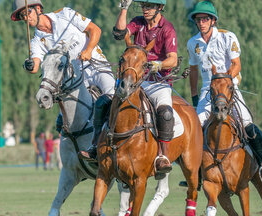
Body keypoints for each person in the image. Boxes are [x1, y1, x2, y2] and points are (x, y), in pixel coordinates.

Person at [10, 0, 116, 161]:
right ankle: (80, 155)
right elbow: (35, 67)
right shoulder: (37, 41)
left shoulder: (65, 14)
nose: (26, 18)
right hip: (76, 81)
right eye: (23, 16)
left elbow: (95, 30)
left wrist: (88, 50)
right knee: (66, 118)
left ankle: (119, 143)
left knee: (113, 96)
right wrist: (28, 64)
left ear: (38, 9)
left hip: (96, 67)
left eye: (28, 13)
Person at [186, 0, 262, 183]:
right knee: (195, 126)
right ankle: (196, 171)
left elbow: (236, 64)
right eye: (198, 19)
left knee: (246, 122)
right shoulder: (192, 43)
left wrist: (224, 81)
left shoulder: (227, 37)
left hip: (229, 88)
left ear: (213, 20)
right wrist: (194, 97)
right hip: (207, 91)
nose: (201, 22)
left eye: (205, 19)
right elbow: (193, 71)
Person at [109, 0, 177, 176]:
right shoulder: (137, 22)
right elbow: (120, 33)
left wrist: (158, 64)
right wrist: (124, 9)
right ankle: (98, 145)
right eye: (143, 6)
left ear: (160, 8)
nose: (145, 10)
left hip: (158, 82)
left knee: (166, 113)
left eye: (150, 6)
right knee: (107, 103)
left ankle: (163, 156)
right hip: (136, 80)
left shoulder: (167, 28)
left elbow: (173, 59)